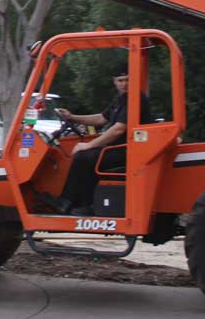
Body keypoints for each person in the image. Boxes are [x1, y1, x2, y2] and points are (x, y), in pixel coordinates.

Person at [48, 64, 151, 216]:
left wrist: (88, 145)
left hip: (128, 149)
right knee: (87, 155)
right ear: (114, 81)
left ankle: (77, 204)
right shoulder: (121, 99)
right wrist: (72, 117)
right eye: (120, 80)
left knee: (84, 158)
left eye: (127, 80)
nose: (124, 84)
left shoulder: (135, 99)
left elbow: (118, 129)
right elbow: (102, 118)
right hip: (119, 147)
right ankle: (72, 202)